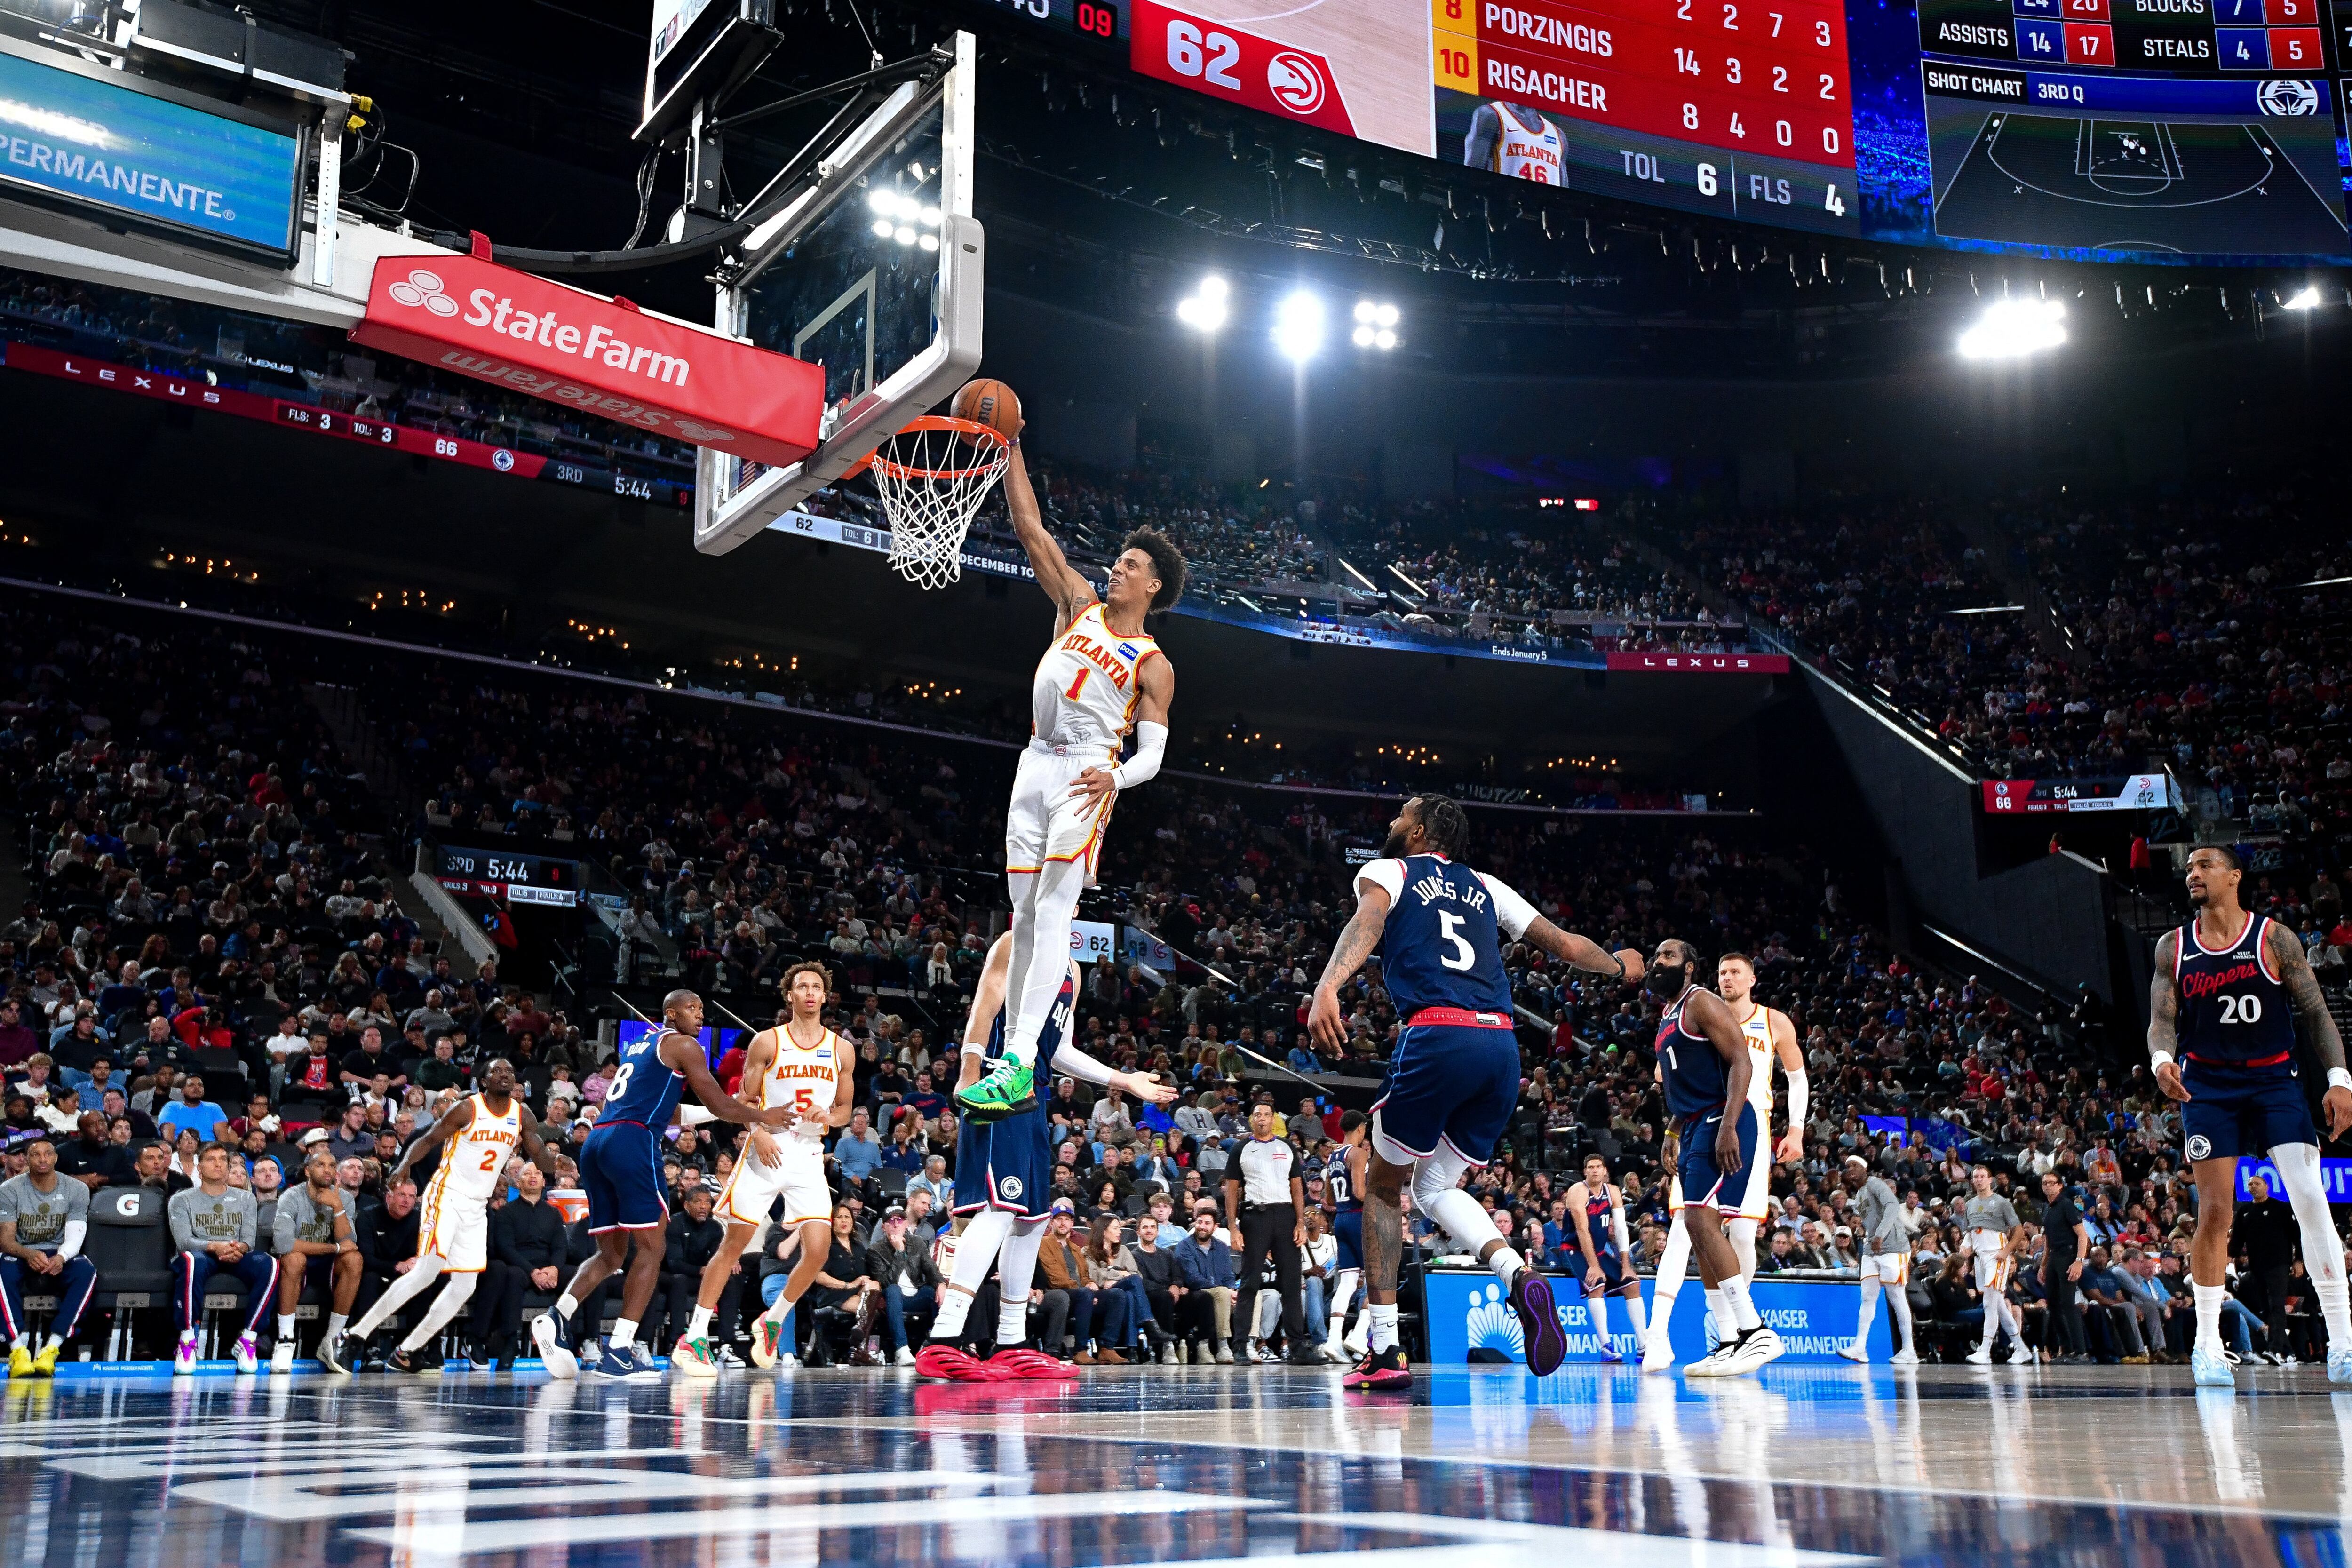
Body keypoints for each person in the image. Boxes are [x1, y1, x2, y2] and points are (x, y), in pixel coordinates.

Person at [1307, 794, 1644, 1389]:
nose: (1390, 823)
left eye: (1399, 817)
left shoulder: (1388, 870)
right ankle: (1517, 1274)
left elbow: (1367, 922)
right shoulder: (1487, 886)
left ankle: (1383, 1350)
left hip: (1438, 1033)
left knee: (1383, 1186)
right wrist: (1619, 967)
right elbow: (1565, 945)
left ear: (1420, 831)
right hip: (1501, 1048)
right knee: (1434, 1183)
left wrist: (1328, 986)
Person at [955, 402, 1184, 1124]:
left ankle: (1019, 1059)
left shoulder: (1154, 663)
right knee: (1023, 918)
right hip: (1034, 764)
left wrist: (1111, 777)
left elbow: (1152, 757)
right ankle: (1012, 1058)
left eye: (1134, 565)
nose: (1119, 566)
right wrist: (1011, 445)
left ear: (1153, 588)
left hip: (1088, 772)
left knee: (1056, 907)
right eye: (1121, 557)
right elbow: (1032, 531)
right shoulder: (1077, 603)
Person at [920, 933, 1173, 1383]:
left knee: (1031, 1219)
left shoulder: (1072, 970)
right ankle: (943, 1337)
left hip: (1034, 1096)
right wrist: (969, 1070)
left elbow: (1059, 1050)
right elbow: (983, 1006)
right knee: (1000, 1210)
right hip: (1000, 1083)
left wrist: (1125, 1080)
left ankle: (1012, 1344)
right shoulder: (1016, 942)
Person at [2149, 844, 2352, 1386]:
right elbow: (2161, 1017)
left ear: (2234, 877)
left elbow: (2314, 1012)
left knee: (2311, 1200)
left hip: (2273, 1080)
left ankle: (2343, 1343)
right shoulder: (2173, 946)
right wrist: (2161, 1061)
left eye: (2204, 866)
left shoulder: (2273, 938)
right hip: (2208, 1087)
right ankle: (2208, 1346)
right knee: (2215, 1211)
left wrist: (2337, 1080)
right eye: (2188, 868)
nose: (2192, 874)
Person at [532, 990, 787, 1380]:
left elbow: (672, 1109)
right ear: (670, 1013)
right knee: (654, 1245)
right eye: (692, 1009)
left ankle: (557, 1316)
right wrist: (760, 1113)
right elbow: (721, 1106)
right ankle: (617, 1349)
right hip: (633, 1141)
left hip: (600, 1140)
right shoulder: (685, 1045)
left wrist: (729, 1103)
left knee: (613, 1253)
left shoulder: (643, 1045)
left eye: (703, 1009)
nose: (700, 1015)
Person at [332, 1057, 556, 1374]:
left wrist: (564, 1162)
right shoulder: (467, 1108)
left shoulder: (523, 1115)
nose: (505, 1074)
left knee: (465, 1286)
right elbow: (429, 1138)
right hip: (447, 1194)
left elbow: (542, 1157)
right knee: (427, 1271)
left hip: (477, 1205)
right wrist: (404, 1165)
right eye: (497, 1070)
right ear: (483, 1080)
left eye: (509, 1070)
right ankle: (355, 1335)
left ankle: (407, 1351)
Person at [682, 964, 851, 1376]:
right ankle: (696, 1335)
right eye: (802, 987)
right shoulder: (767, 1042)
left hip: (809, 1154)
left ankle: (773, 1318)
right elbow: (743, 1097)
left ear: (825, 996)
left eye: (817, 987)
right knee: (735, 1245)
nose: (810, 993)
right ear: (789, 995)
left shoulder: (841, 1049)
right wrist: (756, 1130)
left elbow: (846, 1110)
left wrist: (828, 1116)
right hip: (766, 1151)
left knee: (819, 1250)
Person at [1647, 951, 1807, 1374]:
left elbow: (1750, 1066)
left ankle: (1753, 1331)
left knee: (1723, 1227)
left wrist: (1795, 1130)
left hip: (1734, 1121)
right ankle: (1731, 1337)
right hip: (1703, 1121)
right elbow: (1691, 1082)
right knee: (1696, 1229)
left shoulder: (1719, 1007)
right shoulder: (1671, 1018)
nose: (1729, 978)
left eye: (1736, 971)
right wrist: (1672, 1129)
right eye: (1724, 972)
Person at [168, 1143, 275, 1375]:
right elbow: (184, 1241)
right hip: (201, 1254)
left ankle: (248, 1339)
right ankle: (187, 1342)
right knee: (190, 1260)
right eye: (211, 1159)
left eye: (223, 1160)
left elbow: (249, 1240)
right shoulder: (181, 1199)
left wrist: (239, 1248)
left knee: (270, 1263)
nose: (218, 1164)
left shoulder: (246, 1198)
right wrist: (215, 1246)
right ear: (199, 1168)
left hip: (234, 1253)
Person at [1227, 1101, 1315, 1365]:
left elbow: (1297, 1188)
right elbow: (1232, 1190)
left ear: (1273, 1119)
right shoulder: (1241, 1148)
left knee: (1291, 1283)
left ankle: (1297, 1347)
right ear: (1252, 1120)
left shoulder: (1286, 1146)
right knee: (1250, 1282)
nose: (1262, 1119)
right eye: (1258, 1115)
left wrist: (1301, 1222)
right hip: (1256, 1216)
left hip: (1287, 1215)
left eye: (1267, 1115)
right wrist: (1233, 1227)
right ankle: (1241, 1345)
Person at [0, 1137, 96, 1377]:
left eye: (47, 1154)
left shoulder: (76, 1188)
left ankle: (53, 1347)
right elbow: (5, 1241)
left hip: (59, 1251)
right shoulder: (9, 1190)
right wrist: (28, 1253)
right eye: (36, 1155)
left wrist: (62, 1257)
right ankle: (17, 1349)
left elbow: (76, 1234)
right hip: (22, 1251)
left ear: (56, 1158)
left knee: (86, 1269)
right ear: (27, 1159)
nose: (42, 1159)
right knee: (2, 1267)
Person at [268, 1150, 363, 1374]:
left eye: (332, 1166)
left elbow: (350, 1243)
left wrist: (338, 1208)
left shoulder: (345, 1198)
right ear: (308, 1171)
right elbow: (284, 1244)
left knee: (355, 1260)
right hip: (301, 1263)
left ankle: (332, 1341)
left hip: (328, 1264)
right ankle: (285, 1340)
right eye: (321, 1165)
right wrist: (334, 1248)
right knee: (293, 1259)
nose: (328, 1170)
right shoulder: (291, 1197)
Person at [476, 1160, 567, 1368]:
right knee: (512, 1275)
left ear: (544, 1182)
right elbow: (505, 1248)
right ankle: (511, 1341)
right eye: (527, 1174)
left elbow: (561, 1247)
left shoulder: (553, 1213)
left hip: (548, 1267)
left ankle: (574, 1340)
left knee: (576, 1275)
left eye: (537, 1173)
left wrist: (554, 1269)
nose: (533, 1176)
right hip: (521, 1265)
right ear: (518, 1182)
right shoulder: (507, 1213)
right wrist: (532, 1271)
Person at [1565, 1153, 1648, 1363]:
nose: (1594, 1170)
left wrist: (1626, 1264)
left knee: (1632, 1284)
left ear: (1605, 1171)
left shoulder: (1613, 1192)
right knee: (1598, 1283)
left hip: (1600, 1251)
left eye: (1598, 1167)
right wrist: (1594, 1266)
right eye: (1590, 1167)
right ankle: (1606, 1347)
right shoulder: (1577, 1191)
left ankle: (1643, 1346)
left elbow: (1620, 1229)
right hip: (1574, 1248)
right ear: (1585, 1171)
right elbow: (1583, 1231)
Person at [1838, 1155, 1917, 1365]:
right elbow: (1873, 1217)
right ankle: (1860, 1348)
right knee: (1867, 1297)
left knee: (1896, 1297)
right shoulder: (1859, 1193)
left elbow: (1892, 1207)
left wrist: (1880, 1234)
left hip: (1893, 1247)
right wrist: (1867, 1232)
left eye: (1855, 1165)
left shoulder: (1875, 1183)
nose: (1851, 1169)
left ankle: (1909, 1350)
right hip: (1872, 1249)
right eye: (1848, 1167)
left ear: (1865, 1168)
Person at [1960, 1164, 2033, 1364]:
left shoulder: (2002, 1203)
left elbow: (2018, 1232)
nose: (1979, 1180)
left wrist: (2006, 1252)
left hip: (1997, 1256)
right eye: (1976, 1177)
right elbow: (1971, 1231)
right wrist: (1966, 1248)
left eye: (1983, 1176)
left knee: (1989, 1303)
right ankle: (2021, 1349)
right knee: (1999, 1306)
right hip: (1981, 1258)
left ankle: (1985, 1350)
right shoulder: (1971, 1204)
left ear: (1990, 1180)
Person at [1318, 1110, 1368, 1362]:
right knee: (1377, 1280)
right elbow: (1360, 1192)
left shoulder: (1333, 1155)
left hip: (1341, 1220)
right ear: (1360, 1129)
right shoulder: (1358, 1153)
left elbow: (1327, 1200)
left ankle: (1333, 1340)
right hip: (1360, 1218)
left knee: (1348, 1282)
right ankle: (1359, 1336)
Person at [865, 1205, 941, 1364]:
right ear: (884, 1227)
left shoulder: (918, 1243)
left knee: (932, 1291)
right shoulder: (875, 1250)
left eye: (900, 1220)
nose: (896, 1224)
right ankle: (902, 1350)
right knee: (892, 1290)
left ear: (906, 1223)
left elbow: (930, 1268)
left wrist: (941, 1284)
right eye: (891, 1221)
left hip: (916, 1294)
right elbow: (886, 1281)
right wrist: (899, 1252)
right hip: (894, 1300)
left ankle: (935, 1345)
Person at [1169, 1202, 1240, 1360]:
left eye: (1207, 1223)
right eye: (1199, 1222)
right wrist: (1224, 1290)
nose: (1202, 1227)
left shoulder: (1221, 1247)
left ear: (1215, 1227)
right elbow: (1193, 1279)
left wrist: (1232, 1290)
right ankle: (1223, 1346)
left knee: (1253, 1296)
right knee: (1222, 1292)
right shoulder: (1185, 1246)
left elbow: (1229, 1275)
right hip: (1197, 1295)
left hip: (1223, 1294)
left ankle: (1249, 1344)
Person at [2038, 1171, 2090, 1362]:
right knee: (2053, 1303)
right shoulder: (2048, 1208)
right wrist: (2043, 1265)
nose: (2048, 1186)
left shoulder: (2067, 1205)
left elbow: (2083, 1235)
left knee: (2068, 1303)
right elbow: (2048, 1241)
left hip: (2068, 1255)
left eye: (2052, 1183)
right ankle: (2067, 1349)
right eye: (2045, 1183)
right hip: (2054, 1256)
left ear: (2060, 1185)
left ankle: (2081, 1351)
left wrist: (2079, 1260)